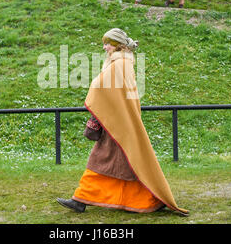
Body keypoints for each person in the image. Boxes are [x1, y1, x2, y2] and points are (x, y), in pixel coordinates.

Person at [56, 28, 189, 216]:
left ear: (117, 45)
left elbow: (100, 86)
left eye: (107, 43)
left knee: (109, 161)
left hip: (118, 123)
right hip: (119, 121)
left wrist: (97, 100)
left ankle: (84, 200)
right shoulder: (123, 62)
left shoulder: (120, 64)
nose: (104, 47)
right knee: (121, 162)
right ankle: (83, 199)